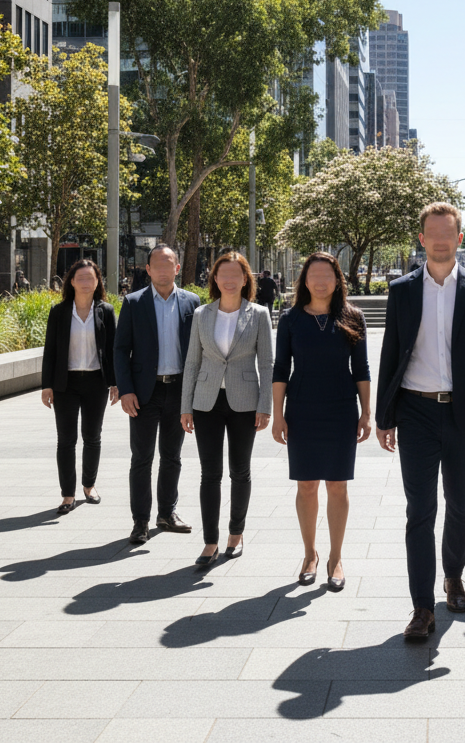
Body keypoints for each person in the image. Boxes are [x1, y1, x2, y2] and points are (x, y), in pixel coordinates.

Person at [376, 202, 465, 640]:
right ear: (421, 238)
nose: (439, 240)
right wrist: (384, 416)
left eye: (447, 233)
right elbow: (390, 354)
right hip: (414, 411)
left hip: (464, 414)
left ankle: (453, 576)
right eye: (431, 233)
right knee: (420, 511)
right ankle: (421, 608)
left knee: (461, 502)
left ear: (459, 239)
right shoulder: (402, 290)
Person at [272, 253, 371, 590]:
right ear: (305, 280)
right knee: (306, 485)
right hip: (301, 409)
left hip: (341, 409)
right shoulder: (291, 320)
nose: (320, 280)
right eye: (313, 274)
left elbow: (362, 370)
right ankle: (309, 554)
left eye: (327, 274)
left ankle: (336, 557)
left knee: (337, 486)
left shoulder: (352, 317)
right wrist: (278, 415)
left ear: (337, 279)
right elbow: (280, 369)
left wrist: (367, 413)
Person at [180, 251, 273, 567]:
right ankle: (210, 541)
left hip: (244, 401)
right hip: (206, 401)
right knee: (210, 473)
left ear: (246, 279)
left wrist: (265, 406)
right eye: (224, 274)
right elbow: (192, 361)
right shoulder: (202, 314)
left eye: (236, 274)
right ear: (215, 279)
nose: (230, 280)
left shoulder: (258, 314)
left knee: (240, 470)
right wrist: (186, 407)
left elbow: (267, 363)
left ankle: (236, 532)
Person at [114, 243, 200, 544]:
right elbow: (121, 349)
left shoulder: (193, 302)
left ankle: (167, 513)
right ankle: (140, 522)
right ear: (148, 269)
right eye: (157, 264)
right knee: (141, 459)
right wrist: (125, 390)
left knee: (172, 457)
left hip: (178, 391)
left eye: (169, 263)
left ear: (177, 268)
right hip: (143, 394)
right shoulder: (134, 302)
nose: (163, 269)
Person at [40, 259, 119, 514]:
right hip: (66, 383)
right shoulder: (59, 312)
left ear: (97, 282)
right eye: (81, 278)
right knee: (66, 439)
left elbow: (113, 350)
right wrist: (46, 385)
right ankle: (67, 494)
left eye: (91, 278)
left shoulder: (105, 311)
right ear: (71, 281)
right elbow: (50, 351)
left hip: (96, 382)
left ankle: (89, 485)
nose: (86, 282)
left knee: (92, 437)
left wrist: (116, 383)